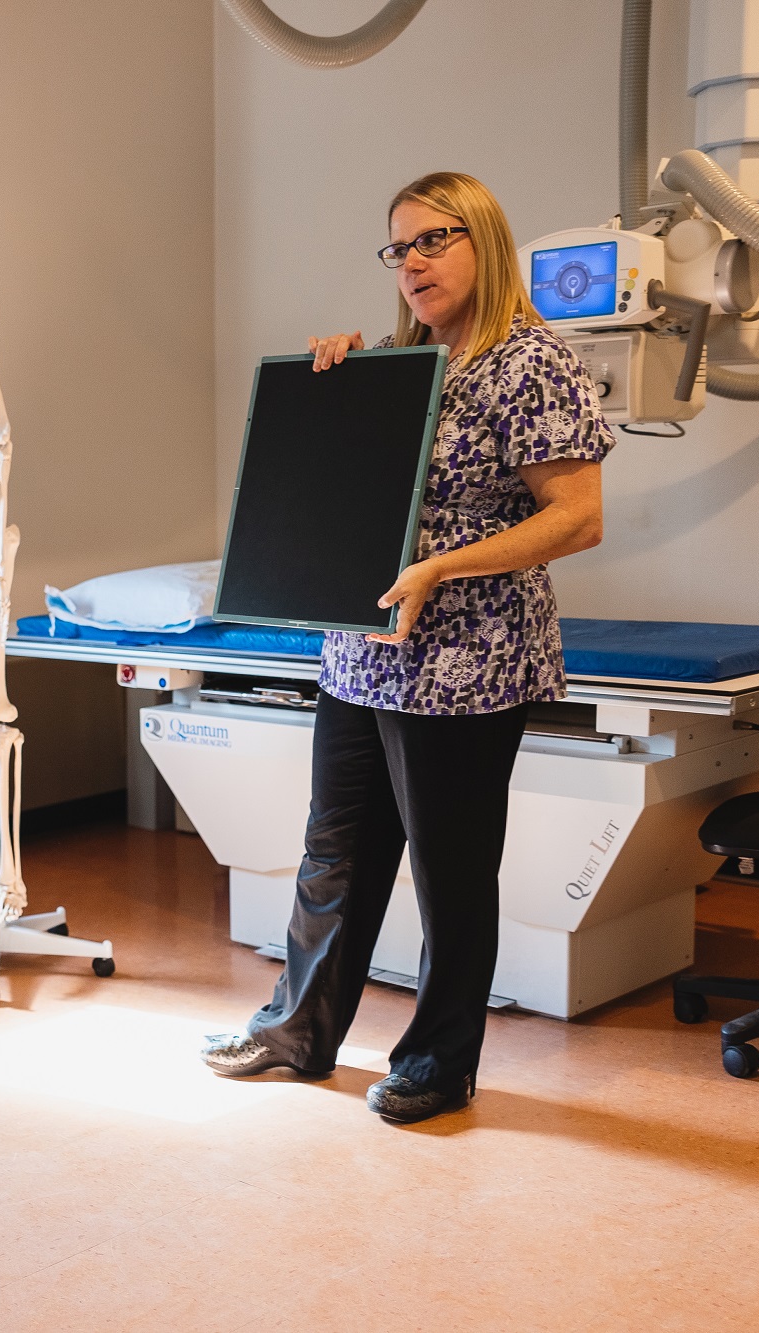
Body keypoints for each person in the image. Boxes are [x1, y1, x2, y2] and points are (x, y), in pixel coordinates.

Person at [200, 172, 613, 1123]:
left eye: (434, 240)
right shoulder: (401, 360)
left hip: (469, 661)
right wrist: (337, 381)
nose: (414, 262)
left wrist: (443, 568)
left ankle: (438, 1059)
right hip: (364, 651)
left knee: (450, 869)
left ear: (486, 242)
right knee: (336, 849)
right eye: (400, 248)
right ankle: (298, 1029)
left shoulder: (530, 361)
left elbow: (579, 518)